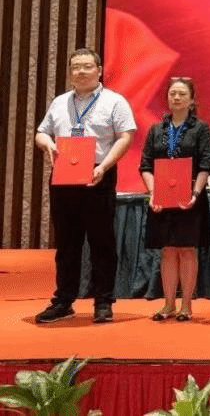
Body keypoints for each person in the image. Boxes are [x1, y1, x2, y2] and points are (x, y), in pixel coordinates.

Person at [33, 48, 136, 324]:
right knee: (67, 242)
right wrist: (48, 144)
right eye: (75, 67)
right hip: (64, 176)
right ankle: (63, 300)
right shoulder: (60, 102)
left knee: (102, 242)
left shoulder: (115, 101)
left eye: (87, 66)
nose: (81, 71)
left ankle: (103, 301)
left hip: (98, 175)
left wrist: (104, 166)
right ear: (70, 72)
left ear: (99, 70)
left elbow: (125, 137)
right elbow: (41, 132)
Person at [139, 77, 210, 323]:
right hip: (162, 198)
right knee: (167, 251)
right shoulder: (156, 129)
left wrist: (195, 194)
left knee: (187, 250)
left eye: (182, 94)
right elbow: (146, 165)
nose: (177, 98)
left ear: (192, 100)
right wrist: (154, 193)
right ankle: (168, 304)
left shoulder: (200, 128)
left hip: (190, 198)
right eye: (173, 94)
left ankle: (186, 306)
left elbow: (205, 164)